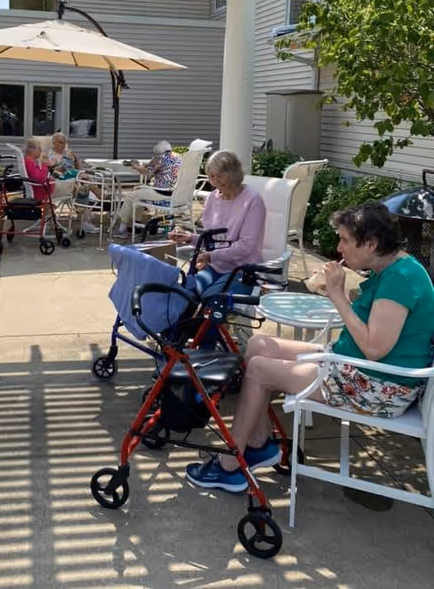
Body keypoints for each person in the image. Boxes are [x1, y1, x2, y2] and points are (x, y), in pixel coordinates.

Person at [185, 202, 434, 493]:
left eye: (344, 241)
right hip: (353, 365)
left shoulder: (401, 280)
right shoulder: (388, 267)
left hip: (377, 386)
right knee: (258, 344)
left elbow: (374, 349)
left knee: (258, 369)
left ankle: (230, 467)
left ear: (371, 243)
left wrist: (338, 296)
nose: (339, 248)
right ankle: (259, 445)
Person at [170, 150, 266, 296]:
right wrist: (190, 238)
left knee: (212, 300)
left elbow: (246, 246)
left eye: (219, 176)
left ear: (233, 174)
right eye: (211, 176)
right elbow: (212, 241)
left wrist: (210, 256)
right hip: (215, 267)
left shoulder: (253, 200)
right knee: (189, 293)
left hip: (243, 270)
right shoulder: (212, 199)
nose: (214, 181)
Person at [116, 141, 182, 236]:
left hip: (162, 192)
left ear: (158, 152)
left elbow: (146, 172)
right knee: (139, 192)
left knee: (130, 196)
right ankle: (137, 224)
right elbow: (160, 167)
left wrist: (135, 167)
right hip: (175, 192)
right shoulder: (178, 157)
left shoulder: (160, 158)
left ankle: (121, 228)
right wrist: (150, 164)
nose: (154, 155)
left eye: (155, 154)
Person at [23, 137, 54, 202]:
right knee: (67, 183)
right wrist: (44, 164)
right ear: (32, 150)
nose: (41, 151)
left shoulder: (28, 160)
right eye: (39, 148)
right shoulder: (29, 162)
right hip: (40, 191)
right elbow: (39, 178)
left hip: (38, 188)